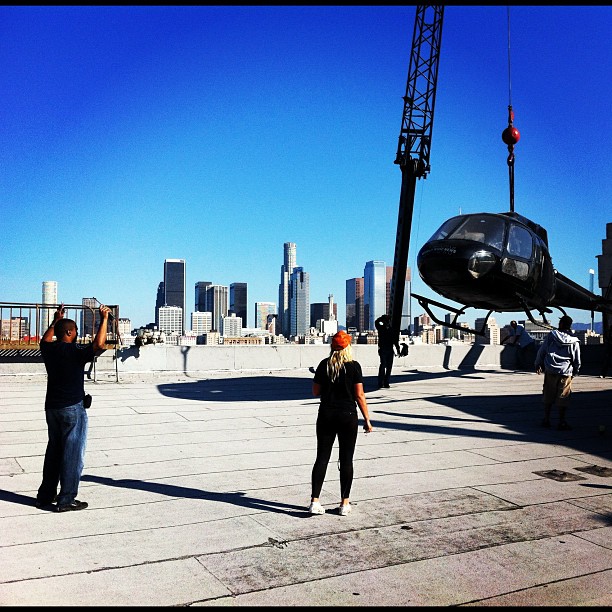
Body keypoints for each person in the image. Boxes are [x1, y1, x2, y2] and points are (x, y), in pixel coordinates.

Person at [36, 302, 111, 512]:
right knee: (72, 454)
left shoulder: (48, 349)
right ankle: (66, 499)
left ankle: (45, 496)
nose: (77, 333)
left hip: (52, 408)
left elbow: (45, 339)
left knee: (54, 451)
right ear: (69, 332)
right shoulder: (75, 351)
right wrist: (104, 319)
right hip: (72, 408)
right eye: (76, 330)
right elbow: (99, 345)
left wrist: (55, 321)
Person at [309, 330, 373, 516]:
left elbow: (315, 391)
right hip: (348, 416)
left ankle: (315, 502)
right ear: (348, 347)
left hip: (326, 414)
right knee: (346, 460)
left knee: (321, 458)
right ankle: (344, 504)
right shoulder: (354, 367)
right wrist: (367, 419)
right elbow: (359, 395)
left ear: (332, 347)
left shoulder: (324, 365)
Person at [534, 315, 581, 431]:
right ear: (569, 325)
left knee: (548, 395)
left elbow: (542, 351)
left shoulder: (551, 336)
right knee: (563, 397)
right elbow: (577, 359)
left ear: (560, 324)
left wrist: (538, 364)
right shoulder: (574, 340)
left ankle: (546, 419)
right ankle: (562, 422)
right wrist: (575, 371)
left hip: (550, 370)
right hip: (565, 372)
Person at [375, 314, 401, 388]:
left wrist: (398, 349)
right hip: (383, 349)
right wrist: (382, 318)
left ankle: (386, 382)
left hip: (389, 349)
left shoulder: (391, 330)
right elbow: (376, 322)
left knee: (388, 367)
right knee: (383, 365)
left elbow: (395, 341)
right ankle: (381, 382)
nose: (387, 322)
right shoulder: (381, 328)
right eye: (386, 321)